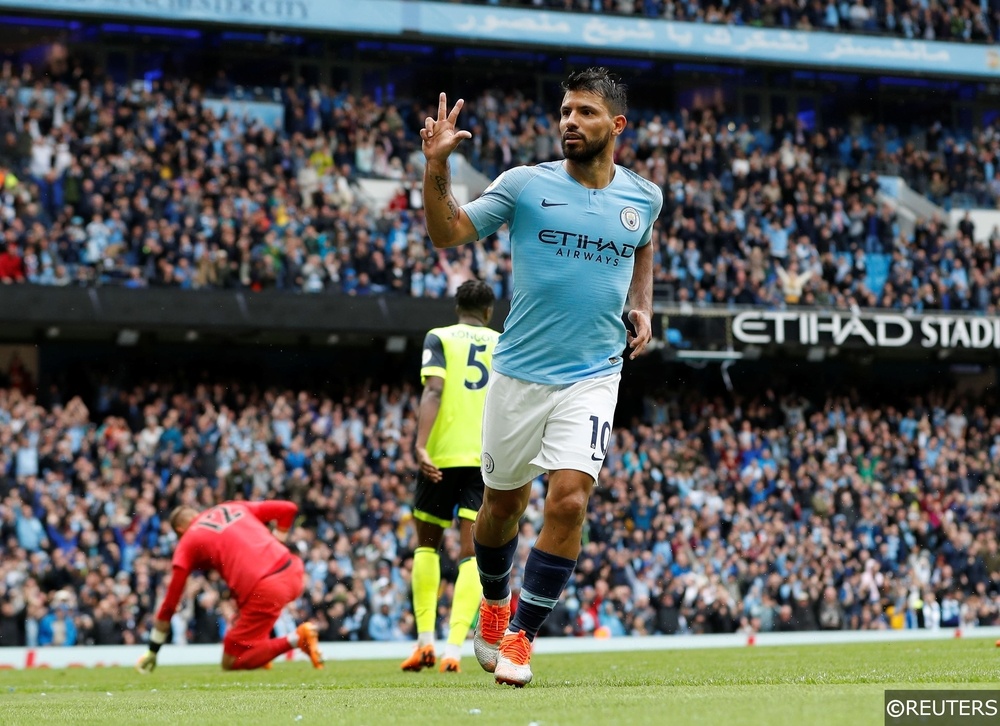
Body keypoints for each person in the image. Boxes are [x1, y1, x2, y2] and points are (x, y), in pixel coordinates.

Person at [419, 67, 661, 687]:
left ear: (617, 124)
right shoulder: (524, 185)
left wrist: (643, 305)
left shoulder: (644, 196)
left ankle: (522, 637)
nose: (569, 122)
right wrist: (437, 165)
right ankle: (494, 605)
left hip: (595, 372)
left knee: (571, 499)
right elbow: (445, 232)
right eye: (565, 112)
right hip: (519, 372)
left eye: (584, 112)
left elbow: (643, 246)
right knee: (502, 506)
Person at [400, 279, 499, 674]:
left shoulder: (438, 337)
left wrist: (421, 445)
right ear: (489, 311)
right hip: (483, 458)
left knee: (427, 546)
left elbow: (434, 390)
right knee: (470, 554)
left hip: (440, 458)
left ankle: (425, 642)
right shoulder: (499, 341)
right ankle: (454, 650)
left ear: (457, 306)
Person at [135, 500, 324, 673]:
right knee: (243, 608)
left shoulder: (188, 540)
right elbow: (288, 509)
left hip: (267, 587)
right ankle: (263, 652)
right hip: (294, 570)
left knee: (232, 660)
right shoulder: (232, 507)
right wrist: (278, 540)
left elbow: (169, 605)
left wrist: (153, 650)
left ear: (180, 530)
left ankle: (298, 638)